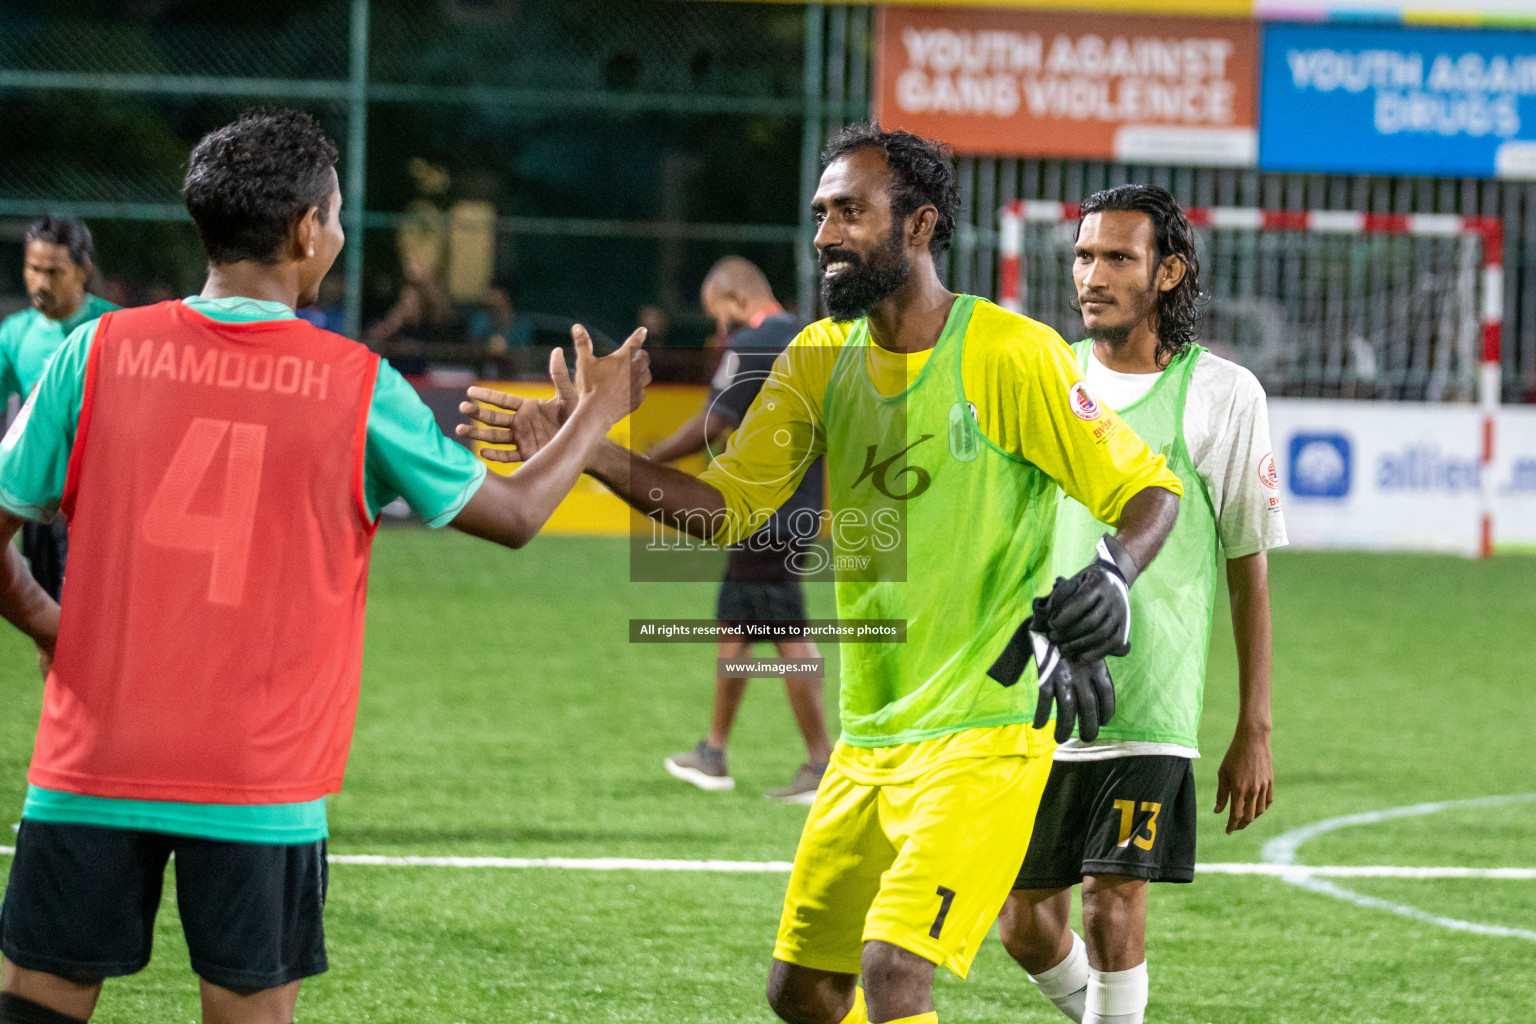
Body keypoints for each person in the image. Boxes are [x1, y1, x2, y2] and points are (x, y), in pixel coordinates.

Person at [459, 123, 1182, 1024]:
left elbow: (1150, 488)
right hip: (869, 740)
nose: (824, 235)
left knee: (892, 969)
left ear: (919, 227)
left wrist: (1113, 573)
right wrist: (590, 451)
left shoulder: (1009, 353)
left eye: (849, 211)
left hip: (986, 737)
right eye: (818, 214)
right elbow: (723, 510)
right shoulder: (815, 358)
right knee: (800, 992)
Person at [0, 109, 648, 1024]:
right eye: (338, 215)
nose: (339, 234)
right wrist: (594, 417)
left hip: (89, 760)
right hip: (258, 781)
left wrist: (48, 622)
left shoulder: (92, 353)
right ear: (308, 229)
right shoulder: (355, 383)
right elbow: (514, 517)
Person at [996, 184, 1284, 1024]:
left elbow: (1247, 568)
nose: (1093, 275)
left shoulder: (1223, 395)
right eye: (1085, 256)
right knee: (1021, 921)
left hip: (1150, 701)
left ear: (1169, 273)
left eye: (1118, 257)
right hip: (1039, 693)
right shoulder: (1045, 378)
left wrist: (1253, 725)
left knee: (1111, 906)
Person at [652, 256, 832, 803]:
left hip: (763, 512)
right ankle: (713, 752)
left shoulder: (750, 343)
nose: (718, 328)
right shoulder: (810, 337)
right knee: (737, 623)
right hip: (797, 504)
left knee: (789, 634)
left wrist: (642, 464)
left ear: (734, 300)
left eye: (719, 315)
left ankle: (822, 760)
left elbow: (714, 423)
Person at [0, 218, 119, 600]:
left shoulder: (115, 328)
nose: (41, 283)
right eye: (34, 269)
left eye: (55, 272)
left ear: (83, 271)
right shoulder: (15, 334)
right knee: (51, 619)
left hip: (101, 500)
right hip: (40, 502)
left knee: (95, 618)